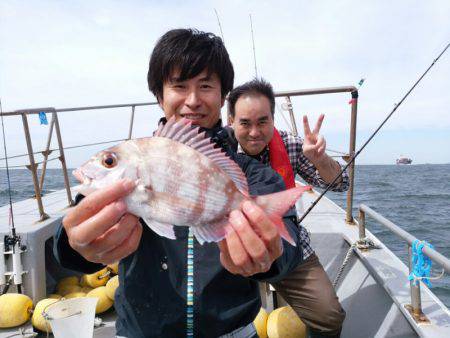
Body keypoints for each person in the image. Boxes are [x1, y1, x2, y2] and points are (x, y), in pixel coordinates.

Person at [53, 29, 304, 338]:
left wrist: (269, 256)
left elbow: (290, 247)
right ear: (160, 95)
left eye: (206, 86)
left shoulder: (254, 176)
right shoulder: (135, 161)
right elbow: (74, 232)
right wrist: (76, 244)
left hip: (234, 330)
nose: (193, 100)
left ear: (223, 96)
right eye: (179, 86)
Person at [228, 78, 349, 338]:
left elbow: (341, 184)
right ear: (231, 121)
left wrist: (320, 159)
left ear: (273, 119)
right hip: (227, 250)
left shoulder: (292, 145)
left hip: (287, 246)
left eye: (262, 122)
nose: (254, 132)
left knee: (329, 316)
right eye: (245, 123)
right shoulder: (216, 151)